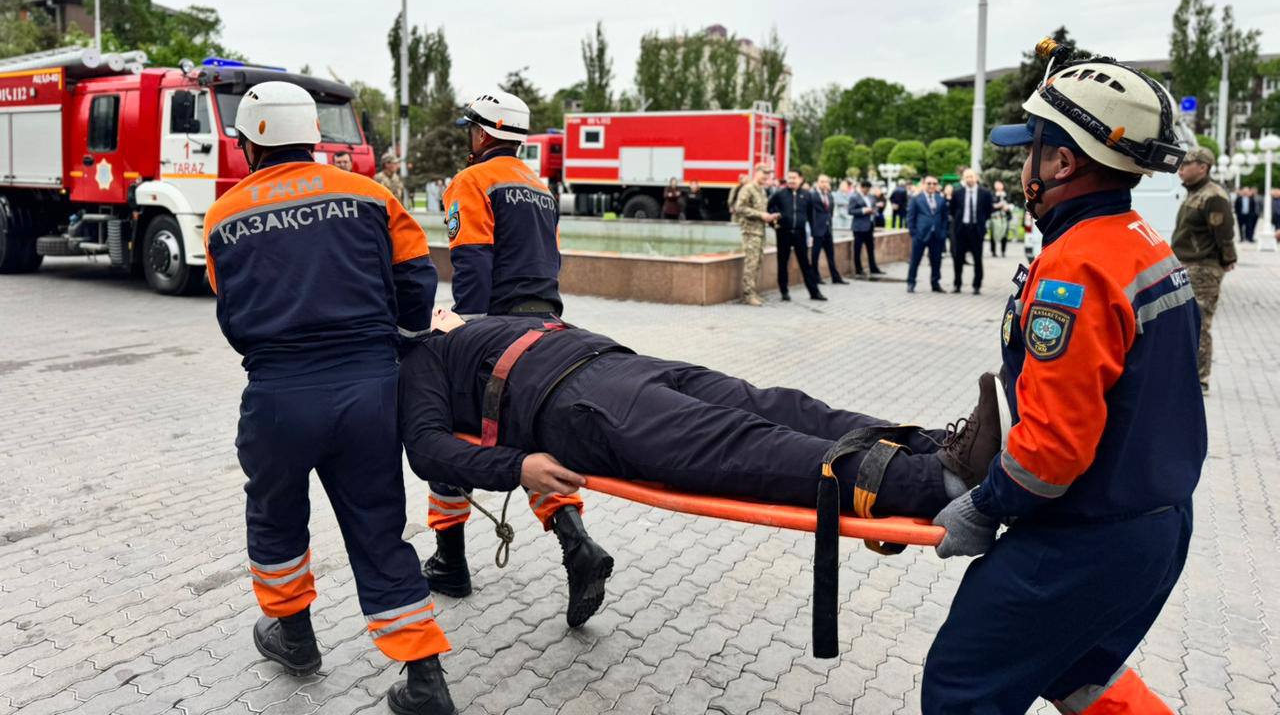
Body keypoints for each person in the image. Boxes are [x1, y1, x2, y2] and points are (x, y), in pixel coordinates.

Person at [923, 40, 1207, 714]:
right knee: (1078, 675)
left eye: (1031, 148)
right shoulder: (1141, 244)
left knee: (962, 682)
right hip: (1155, 523)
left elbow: (1052, 451)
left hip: (1089, 533)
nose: (1022, 163)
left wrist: (986, 505)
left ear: (1061, 160)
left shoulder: (1075, 267)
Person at [203, 82, 454, 714]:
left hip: (279, 395)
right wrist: (393, 344)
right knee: (378, 528)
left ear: (248, 142)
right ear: (314, 137)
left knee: (276, 516)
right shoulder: (371, 196)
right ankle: (424, 677)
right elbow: (417, 276)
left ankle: (295, 637)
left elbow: (230, 310)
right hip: (370, 390)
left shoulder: (224, 215)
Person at [400, 308, 1007, 534]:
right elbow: (428, 450)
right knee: (749, 449)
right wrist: (519, 467)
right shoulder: (418, 364)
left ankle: (942, 446)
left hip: (624, 365)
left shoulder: (453, 324)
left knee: (786, 407)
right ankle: (933, 484)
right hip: (582, 410)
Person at [424, 90, 609, 619]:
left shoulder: (473, 180)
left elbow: (473, 262)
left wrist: (464, 334)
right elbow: (551, 259)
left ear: (482, 134)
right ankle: (577, 544)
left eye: (470, 131)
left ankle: (450, 562)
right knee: (534, 433)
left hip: (496, 322)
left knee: (450, 429)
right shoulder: (538, 186)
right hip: (548, 323)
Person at [1172, 147, 1237, 397]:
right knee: (1186, 322)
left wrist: (1227, 259)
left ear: (1203, 167)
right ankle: (1187, 375)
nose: (1181, 168)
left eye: (1187, 164)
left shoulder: (1213, 196)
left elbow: (1224, 234)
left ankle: (1200, 379)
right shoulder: (1194, 194)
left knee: (1199, 323)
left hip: (1203, 267)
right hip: (1187, 265)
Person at [767, 170, 826, 302]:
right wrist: (774, 225)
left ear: (801, 179)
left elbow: (811, 216)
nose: (791, 180)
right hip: (783, 233)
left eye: (794, 178)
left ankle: (814, 292)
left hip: (800, 233)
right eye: (789, 177)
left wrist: (812, 234)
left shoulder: (807, 195)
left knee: (805, 263)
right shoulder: (779, 194)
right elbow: (769, 209)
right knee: (782, 263)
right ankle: (784, 291)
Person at [734, 164, 777, 306]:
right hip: (750, 232)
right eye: (764, 173)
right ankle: (748, 295)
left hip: (760, 231)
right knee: (751, 263)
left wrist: (770, 217)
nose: (766, 176)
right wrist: (761, 215)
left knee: (757, 262)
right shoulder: (748, 188)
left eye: (768, 174)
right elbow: (739, 208)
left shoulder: (762, 190)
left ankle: (753, 292)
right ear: (756, 172)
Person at [949, 169, 993, 295]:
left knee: (977, 259)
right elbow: (952, 210)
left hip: (976, 230)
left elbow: (988, 211)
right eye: (967, 177)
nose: (969, 179)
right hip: (961, 230)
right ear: (963, 178)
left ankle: (977, 286)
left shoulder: (985, 193)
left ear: (976, 177)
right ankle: (957, 284)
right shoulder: (957, 193)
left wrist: (981, 224)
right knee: (958, 258)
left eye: (971, 176)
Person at [905, 177, 949, 293]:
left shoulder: (941, 199)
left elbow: (945, 218)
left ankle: (935, 283)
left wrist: (943, 232)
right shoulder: (916, 199)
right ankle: (911, 282)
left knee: (936, 261)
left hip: (937, 235)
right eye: (929, 183)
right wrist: (913, 232)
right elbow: (910, 217)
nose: (931, 186)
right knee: (915, 260)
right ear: (924, 184)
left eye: (934, 183)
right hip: (920, 234)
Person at [808, 174, 846, 285]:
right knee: (815, 256)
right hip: (817, 230)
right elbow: (810, 214)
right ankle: (815, 277)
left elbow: (830, 212)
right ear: (817, 182)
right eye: (822, 181)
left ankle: (835, 277)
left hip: (828, 229)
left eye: (826, 182)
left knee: (831, 255)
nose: (824, 184)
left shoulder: (829, 196)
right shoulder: (812, 195)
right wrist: (812, 229)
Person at [848, 180, 884, 277]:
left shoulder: (871, 197)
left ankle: (873, 268)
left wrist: (875, 210)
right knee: (858, 249)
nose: (867, 191)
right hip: (859, 227)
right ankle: (858, 269)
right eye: (865, 189)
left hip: (870, 225)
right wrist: (863, 210)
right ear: (861, 188)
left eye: (868, 189)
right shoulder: (854, 197)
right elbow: (850, 211)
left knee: (870, 248)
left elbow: (874, 207)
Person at [988, 180, 1012, 257]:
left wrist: (1007, 207)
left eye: (999, 184)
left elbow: (1011, 204)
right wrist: (998, 205)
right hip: (995, 218)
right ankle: (993, 251)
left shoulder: (1007, 194)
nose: (998, 186)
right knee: (993, 234)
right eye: (996, 184)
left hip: (1005, 217)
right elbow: (990, 205)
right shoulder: (992, 194)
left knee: (1005, 234)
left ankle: (1003, 251)